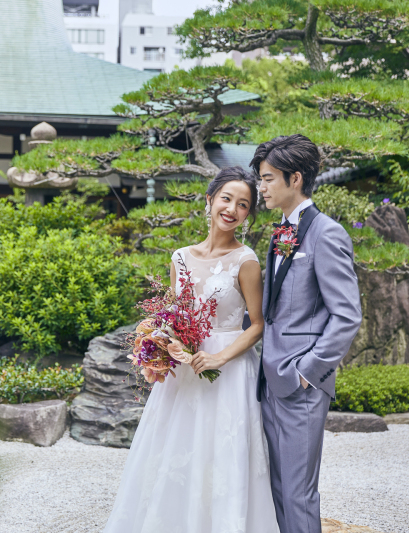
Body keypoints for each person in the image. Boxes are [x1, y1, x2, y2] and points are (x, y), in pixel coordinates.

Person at [103, 166, 280, 533]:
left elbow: (258, 325)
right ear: (210, 200)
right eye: (227, 199)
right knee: (175, 452)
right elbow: (176, 315)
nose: (232, 209)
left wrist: (219, 356)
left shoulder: (246, 261)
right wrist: (161, 342)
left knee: (222, 454)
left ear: (248, 214)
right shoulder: (180, 258)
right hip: (185, 368)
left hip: (228, 370)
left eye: (243, 204)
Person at [252, 134, 362, 533]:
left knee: (299, 492)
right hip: (268, 377)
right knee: (275, 488)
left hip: (300, 384)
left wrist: (308, 371)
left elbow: (347, 315)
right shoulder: (280, 231)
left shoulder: (326, 233)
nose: (260, 188)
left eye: (267, 179)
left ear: (294, 178)